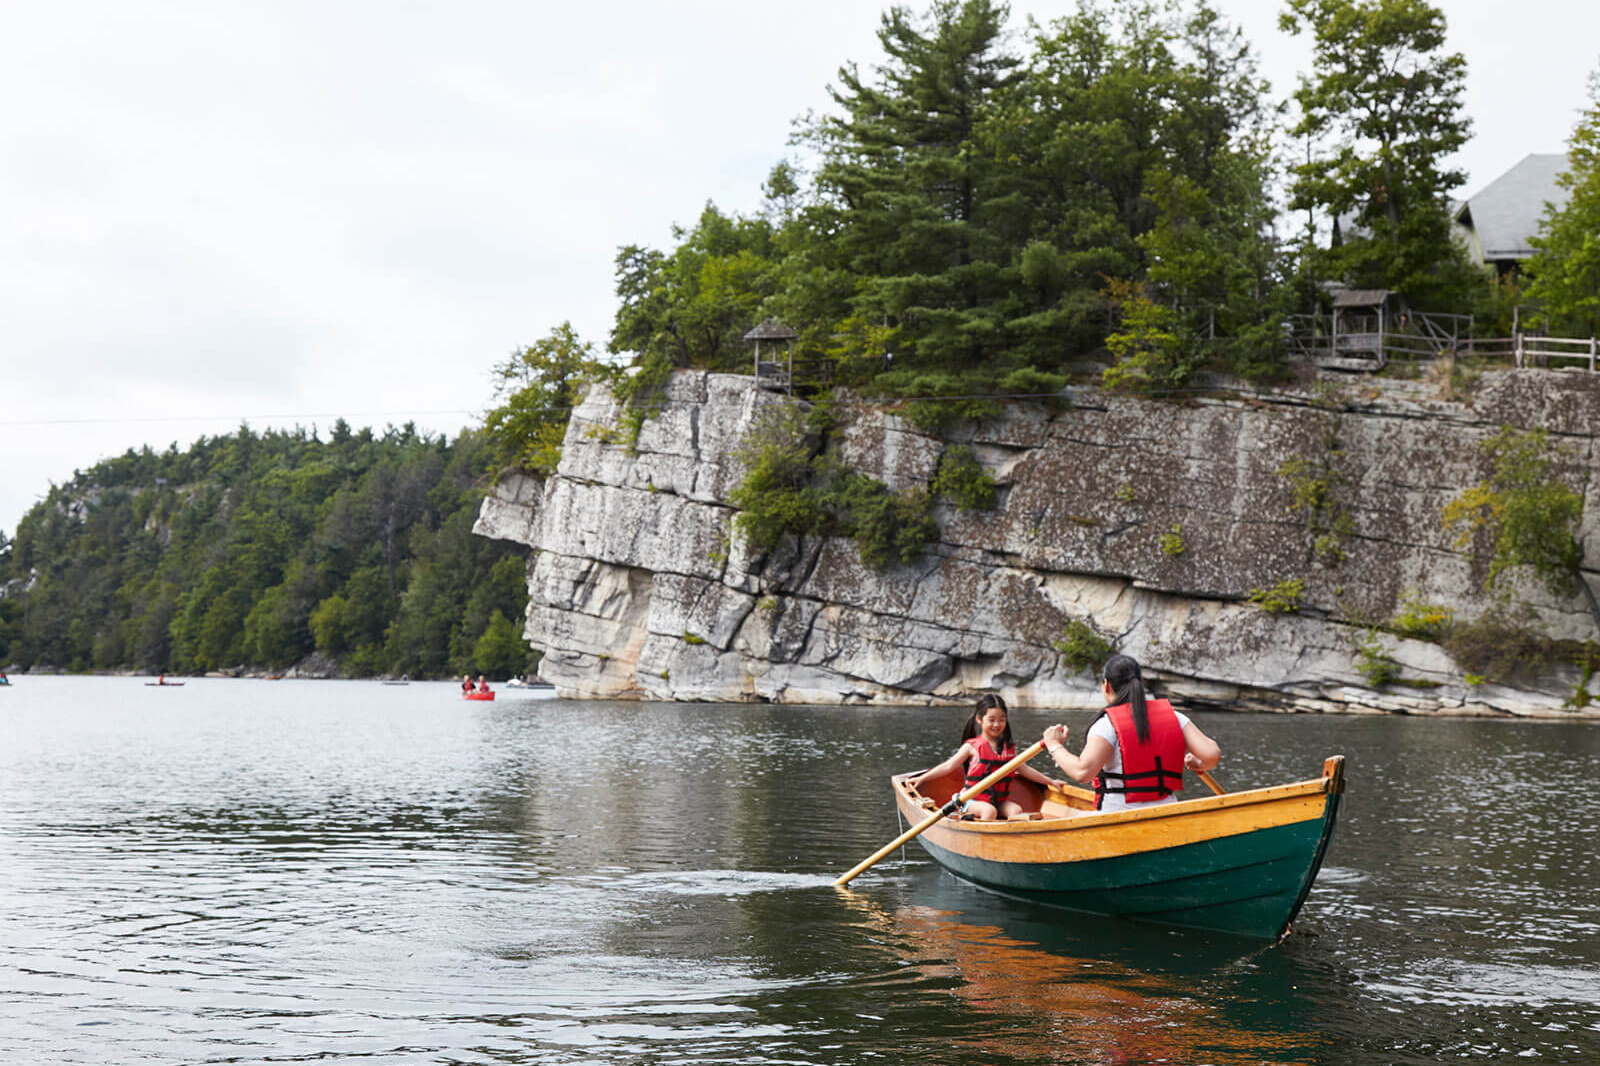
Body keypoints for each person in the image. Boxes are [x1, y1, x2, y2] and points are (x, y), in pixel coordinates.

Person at [1041, 653, 1220, 812]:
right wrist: (1199, 763)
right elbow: (1212, 755)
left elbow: (1082, 772)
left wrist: (1054, 745)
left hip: (1118, 816)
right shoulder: (1174, 717)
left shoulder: (1106, 725)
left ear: (1106, 685)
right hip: (1167, 813)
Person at [910, 694, 1062, 821]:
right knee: (989, 812)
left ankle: (1007, 844)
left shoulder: (1007, 749)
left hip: (998, 801)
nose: (997, 724)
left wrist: (1051, 781)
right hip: (969, 801)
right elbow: (948, 766)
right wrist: (923, 778)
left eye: (1001, 719)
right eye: (992, 719)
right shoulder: (971, 747)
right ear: (979, 719)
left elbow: (1025, 770)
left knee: (1016, 810)